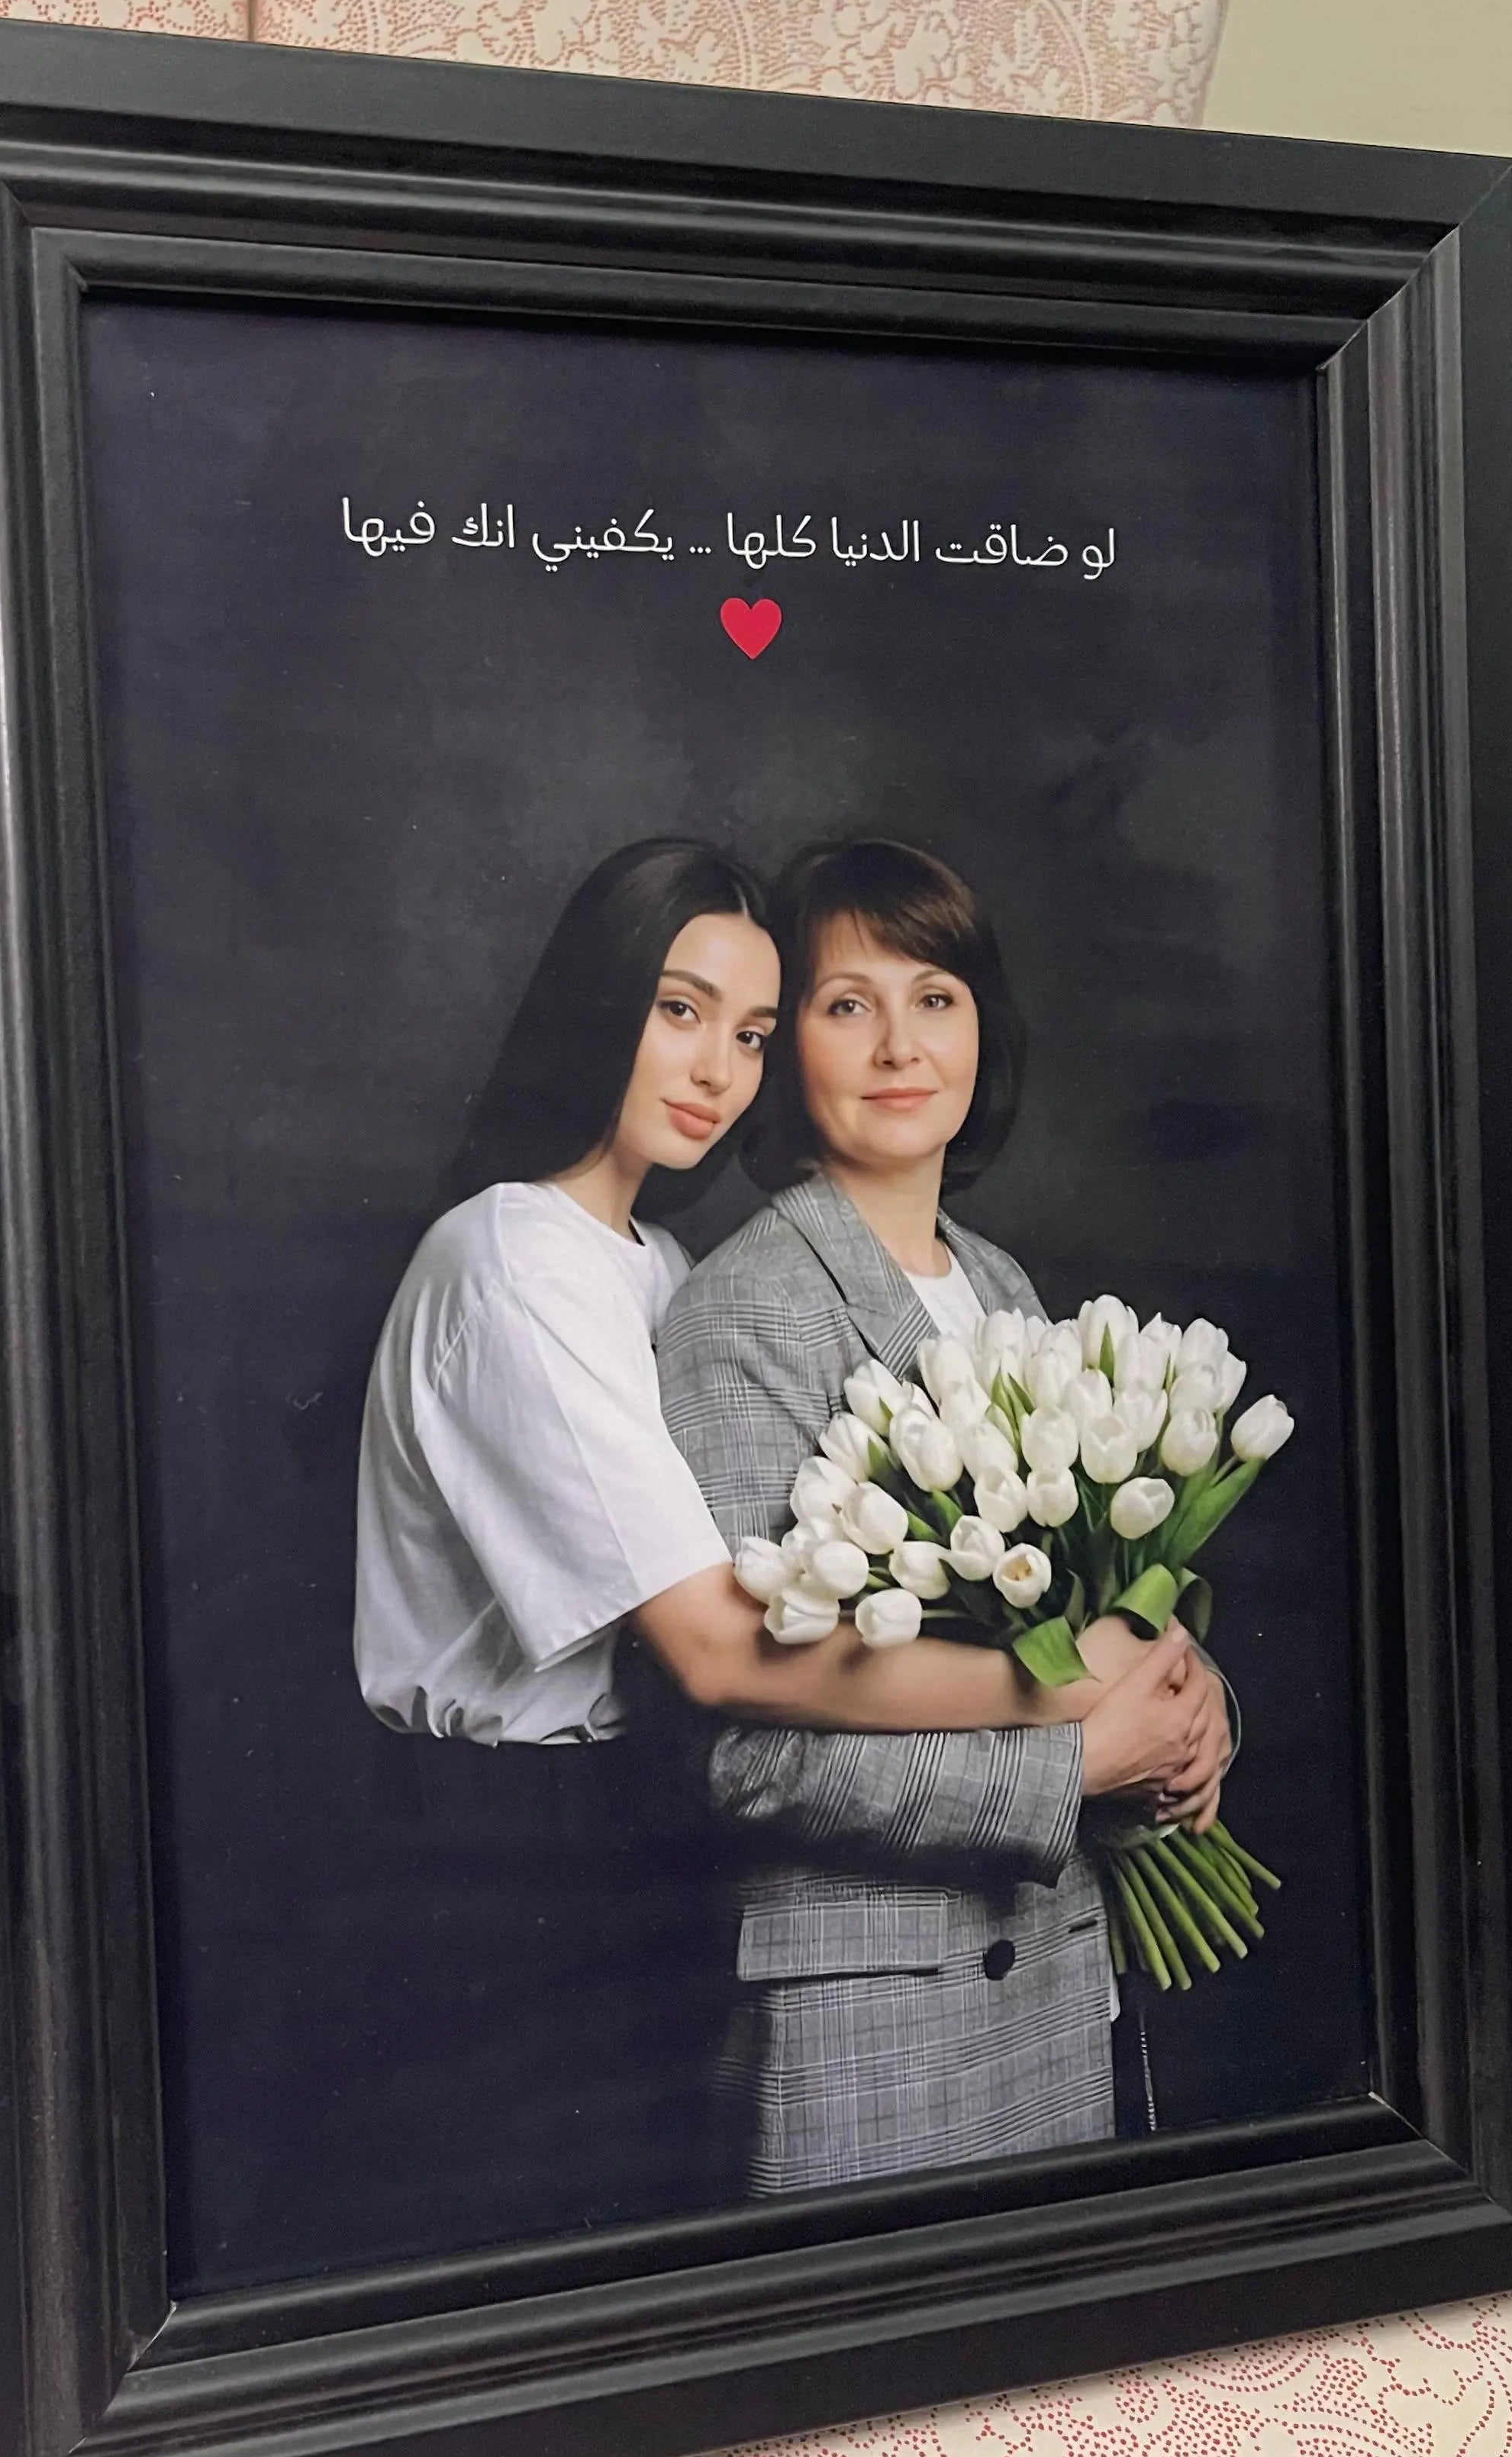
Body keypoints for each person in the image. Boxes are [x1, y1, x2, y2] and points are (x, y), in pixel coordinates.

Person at [353, 836, 1202, 2251]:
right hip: (517, 1861)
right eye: (682, 1011)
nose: (713, 1067)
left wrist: (1183, 1701)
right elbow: (718, 1664)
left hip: (771, 1897)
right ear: (600, 1000)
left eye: (742, 1029)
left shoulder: (675, 1264)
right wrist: (1071, 1716)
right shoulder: (568, 1270)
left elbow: (1110, 1576)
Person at [657, 836, 1233, 2198]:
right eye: (846, 1003)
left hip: (1061, 1984)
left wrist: (1188, 1702)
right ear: (785, 1046)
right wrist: (1083, 1761)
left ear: (984, 1028)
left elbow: (1091, 1612)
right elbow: (751, 1755)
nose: (898, 1044)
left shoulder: (1001, 1283)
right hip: (880, 2031)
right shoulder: (743, 1318)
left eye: (937, 996)